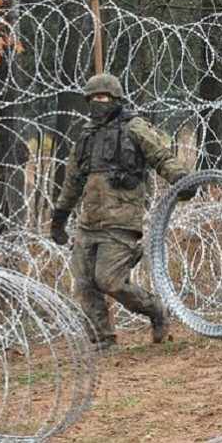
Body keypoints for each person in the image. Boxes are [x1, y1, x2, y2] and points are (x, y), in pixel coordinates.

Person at [50, 72, 197, 352]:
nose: (97, 103)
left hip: (121, 220)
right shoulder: (86, 137)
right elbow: (72, 180)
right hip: (88, 222)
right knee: (85, 284)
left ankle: (155, 309)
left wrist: (179, 178)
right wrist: (60, 215)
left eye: (102, 98)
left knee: (109, 280)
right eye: (92, 99)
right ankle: (103, 340)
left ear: (115, 99)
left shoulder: (133, 128)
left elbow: (160, 155)